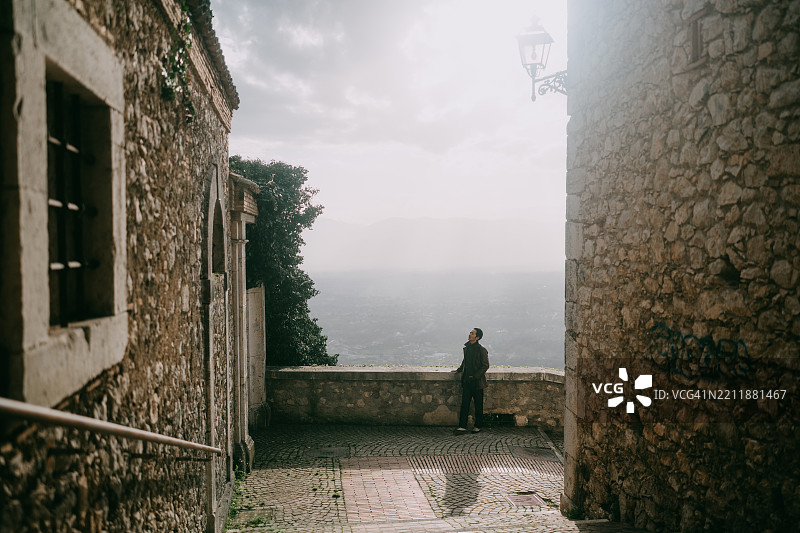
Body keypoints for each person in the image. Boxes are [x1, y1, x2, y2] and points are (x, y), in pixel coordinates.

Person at [452, 328, 490, 433]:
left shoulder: (481, 350)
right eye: (470, 333)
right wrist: (459, 370)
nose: (470, 334)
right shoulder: (468, 347)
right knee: (464, 404)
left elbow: (485, 365)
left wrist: (475, 376)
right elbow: (465, 361)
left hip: (477, 382)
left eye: (472, 333)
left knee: (478, 405)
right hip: (467, 381)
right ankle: (462, 426)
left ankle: (478, 426)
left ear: (477, 337)